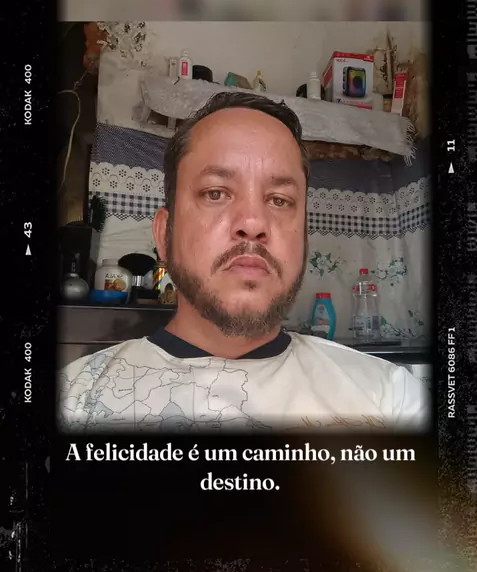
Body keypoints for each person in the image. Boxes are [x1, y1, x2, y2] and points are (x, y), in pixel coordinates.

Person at [58, 91, 428, 432]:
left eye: (279, 200)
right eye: (215, 193)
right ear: (164, 235)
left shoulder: (389, 399)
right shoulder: (75, 398)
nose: (253, 223)